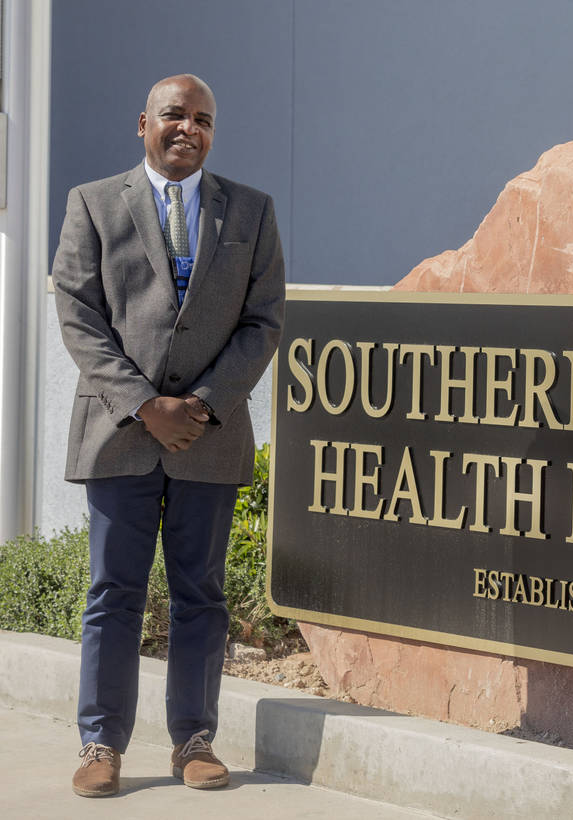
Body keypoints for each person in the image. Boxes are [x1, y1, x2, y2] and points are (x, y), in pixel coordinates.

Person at [52, 74, 285, 798]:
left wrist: (204, 405)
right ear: (144, 122)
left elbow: (263, 319)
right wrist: (144, 404)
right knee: (113, 593)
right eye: (175, 115)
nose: (189, 128)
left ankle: (194, 739)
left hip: (207, 439)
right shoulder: (92, 204)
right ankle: (100, 742)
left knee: (201, 597)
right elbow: (79, 314)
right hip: (120, 433)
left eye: (203, 120)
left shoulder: (250, 209)